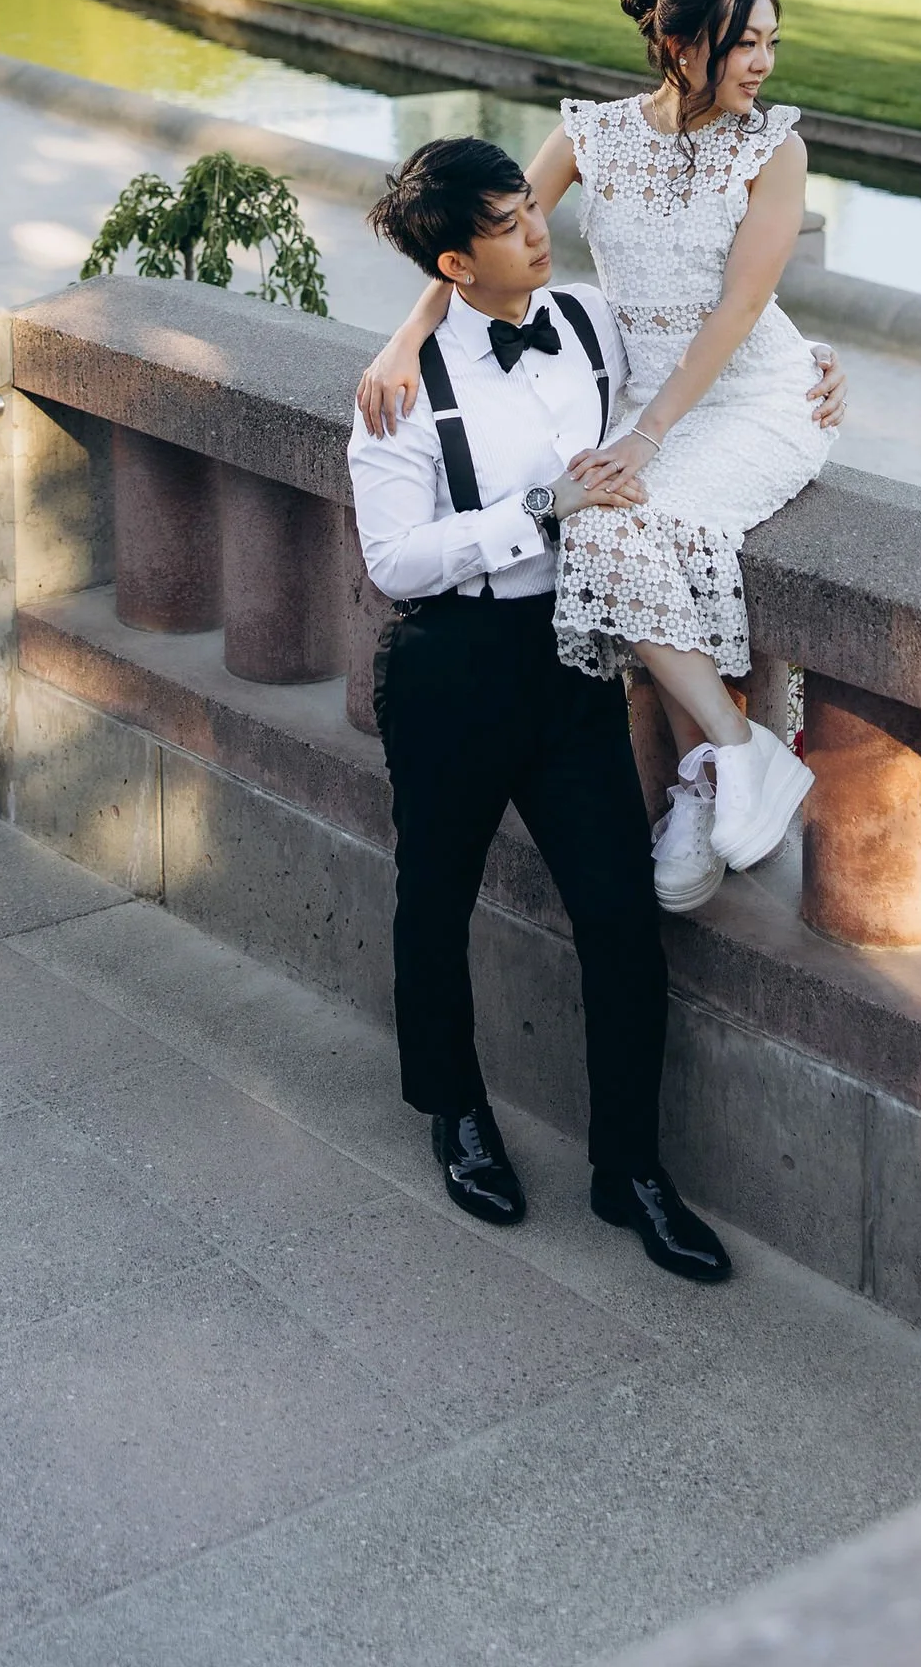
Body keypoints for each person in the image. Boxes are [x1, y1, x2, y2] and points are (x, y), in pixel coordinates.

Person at [359, 0, 841, 919]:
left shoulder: (774, 147)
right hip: (643, 403)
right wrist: (402, 344)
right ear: (675, 43)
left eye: (769, 43)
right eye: (740, 42)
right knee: (610, 523)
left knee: (613, 522)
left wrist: (653, 435)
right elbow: (478, 235)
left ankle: (726, 763)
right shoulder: (590, 133)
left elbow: (743, 307)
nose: (761, 64)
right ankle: (726, 763)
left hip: (749, 402)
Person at [347, 136, 732, 1279]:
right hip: (451, 663)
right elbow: (392, 560)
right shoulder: (397, 387)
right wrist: (538, 508)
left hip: (569, 665)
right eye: (511, 223)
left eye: (531, 208)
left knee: (619, 918)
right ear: (455, 266)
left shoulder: (587, 322)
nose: (538, 230)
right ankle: (453, 1112)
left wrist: (816, 382)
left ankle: (630, 1170)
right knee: (436, 900)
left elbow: (715, 361)